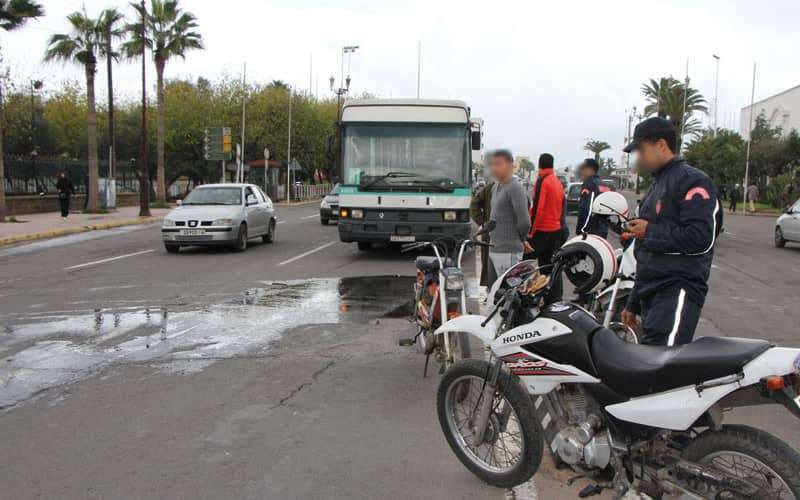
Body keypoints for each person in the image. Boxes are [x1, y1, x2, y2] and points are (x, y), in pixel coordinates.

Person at [620, 117, 720, 346]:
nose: (640, 157)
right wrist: (633, 302)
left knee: (662, 367)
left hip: (677, 290)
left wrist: (650, 230)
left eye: (641, 150)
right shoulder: (656, 185)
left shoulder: (693, 182)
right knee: (648, 364)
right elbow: (646, 253)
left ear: (661, 145)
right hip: (652, 293)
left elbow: (701, 238)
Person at [487, 150, 530, 283]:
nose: (494, 168)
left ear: (511, 165)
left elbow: (524, 222)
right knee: (494, 293)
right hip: (494, 248)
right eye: (492, 164)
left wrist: (522, 239)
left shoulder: (515, 187)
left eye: (499, 164)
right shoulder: (495, 187)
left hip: (509, 251)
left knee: (510, 294)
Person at [525, 153, 565, 274]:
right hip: (555, 231)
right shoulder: (557, 182)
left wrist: (531, 231)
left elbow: (538, 208)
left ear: (540, 164)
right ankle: (549, 292)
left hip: (541, 231)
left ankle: (524, 291)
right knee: (547, 267)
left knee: (523, 264)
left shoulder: (543, 180)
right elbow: (562, 207)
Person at [575, 158, 609, 238]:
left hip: (590, 231)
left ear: (590, 169)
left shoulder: (589, 184)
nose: (582, 171)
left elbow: (588, 209)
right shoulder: (604, 185)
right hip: (603, 230)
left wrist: (582, 229)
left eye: (584, 169)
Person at [470, 179, 494, 287]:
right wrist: (482, 222)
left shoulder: (490, 187)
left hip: (490, 231)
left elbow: (474, 204)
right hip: (489, 232)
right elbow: (474, 204)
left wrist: (482, 222)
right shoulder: (490, 188)